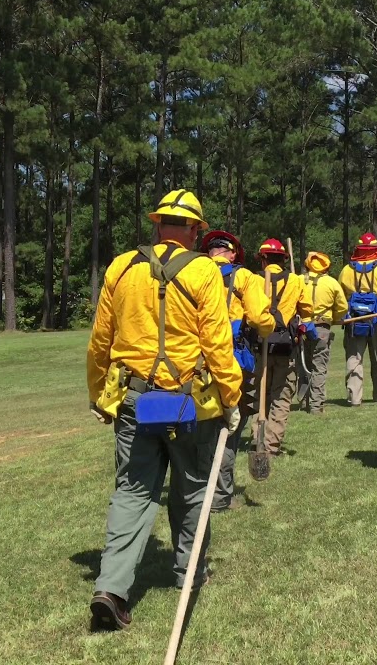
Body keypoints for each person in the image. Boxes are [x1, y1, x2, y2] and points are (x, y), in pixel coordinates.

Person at [86, 189, 241, 630]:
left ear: (157, 226)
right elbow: (217, 343)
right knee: (191, 491)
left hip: (134, 400)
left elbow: (100, 340)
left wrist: (99, 394)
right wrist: (231, 398)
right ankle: (189, 574)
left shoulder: (121, 266)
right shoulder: (205, 270)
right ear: (194, 230)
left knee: (132, 493)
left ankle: (112, 587)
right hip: (189, 404)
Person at [202, 229, 272, 512]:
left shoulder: (193, 272)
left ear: (210, 252)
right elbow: (257, 316)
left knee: (202, 424)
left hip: (195, 362)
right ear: (233, 254)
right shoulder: (244, 277)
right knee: (229, 426)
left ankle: (197, 488)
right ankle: (220, 496)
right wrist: (267, 326)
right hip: (232, 362)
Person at [257, 238, 312, 455]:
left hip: (260, 345)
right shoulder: (296, 281)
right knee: (281, 395)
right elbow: (307, 309)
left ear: (263, 259)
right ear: (283, 259)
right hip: (284, 346)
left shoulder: (253, 279)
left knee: (260, 394)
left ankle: (257, 437)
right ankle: (271, 444)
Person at [339, 233, 377, 406]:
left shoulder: (347, 270)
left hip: (354, 322)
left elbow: (340, 295)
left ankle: (354, 397)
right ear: (376, 250)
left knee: (354, 359)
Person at [298, 251, 347, 415]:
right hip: (321, 328)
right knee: (319, 367)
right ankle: (316, 406)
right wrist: (335, 317)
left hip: (301, 328)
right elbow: (342, 307)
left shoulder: (298, 280)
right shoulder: (331, 283)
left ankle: (304, 402)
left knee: (303, 365)